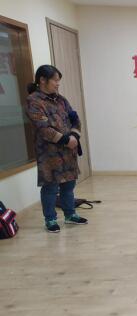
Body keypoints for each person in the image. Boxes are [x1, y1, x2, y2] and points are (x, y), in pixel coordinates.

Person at [26, 65, 88, 233]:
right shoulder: (34, 101)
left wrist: (74, 136)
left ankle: (70, 214)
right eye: (55, 80)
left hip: (68, 151)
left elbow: (75, 119)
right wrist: (66, 140)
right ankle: (50, 219)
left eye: (58, 80)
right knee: (50, 187)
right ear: (42, 80)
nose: (57, 84)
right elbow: (43, 128)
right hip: (49, 153)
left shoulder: (61, 100)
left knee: (69, 185)